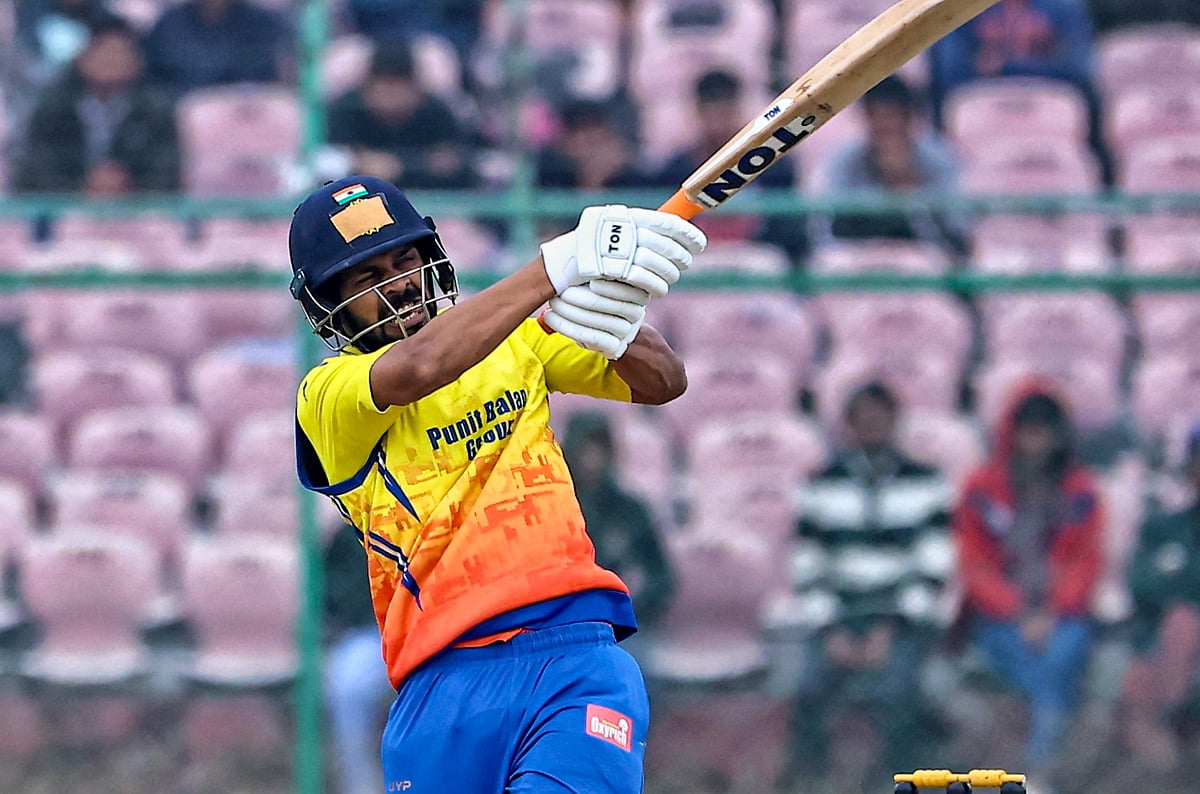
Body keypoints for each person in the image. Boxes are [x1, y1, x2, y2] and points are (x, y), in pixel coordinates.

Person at [290, 174, 706, 792]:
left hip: (575, 656)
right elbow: (418, 367)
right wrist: (556, 265)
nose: (399, 283)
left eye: (406, 260)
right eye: (368, 277)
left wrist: (611, 322)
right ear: (332, 304)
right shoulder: (326, 395)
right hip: (441, 683)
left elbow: (665, 381)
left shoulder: (512, 339)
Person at [777, 381, 953, 789]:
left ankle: (896, 782)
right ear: (850, 425)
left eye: (882, 417)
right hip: (841, 612)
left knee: (900, 692)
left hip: (899, 617)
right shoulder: (820, 483)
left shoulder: (928, 482)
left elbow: (933, 566)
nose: (873, 426)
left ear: (896, 422)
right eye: (864, 418)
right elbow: (806, 565)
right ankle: (812, 781)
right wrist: (831, 628)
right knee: (807, 689)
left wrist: (890, 629)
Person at [952, 379, 1104, 788]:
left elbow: (1084, 560)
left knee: (1058, 654)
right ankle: (1040, 770)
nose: (1034, 440)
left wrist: (1051, 612)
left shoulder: (1080, 490)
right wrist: (1018, 610)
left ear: (1059, 436)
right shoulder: (982, 488)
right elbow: (975, 563)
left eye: (1044, 430)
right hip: (1001, 613)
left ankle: (1035, 768)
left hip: (1060, 615)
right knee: (1041, 669)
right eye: (1027, 429)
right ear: (1012, 431)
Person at [13, 16, 179, 194]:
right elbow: (34, 171)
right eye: (103, 51)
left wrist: (125, 185)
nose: (111, 60)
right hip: (67, 207)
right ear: (82, 57)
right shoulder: (52, 107)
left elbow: (167, 174)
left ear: (137, 61)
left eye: (119, 52)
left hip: (138, 210)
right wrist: (83, 185)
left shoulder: (156, 109)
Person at [654, 70, 806, 257]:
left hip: (754, 255)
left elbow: (788, 228)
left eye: (725, 111)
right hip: (697, 256)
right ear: (698, 112)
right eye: (711, 112)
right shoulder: (675, 170)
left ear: (738, 108)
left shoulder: (773, 163)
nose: (718, 122)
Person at [811, 75, 968, 256]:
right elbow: (827, 229)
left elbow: (955, 231)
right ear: (867, 119)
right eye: (878, 118)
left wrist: (909, 187)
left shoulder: (939, 159)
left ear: (909, 118)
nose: (886, 127)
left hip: (920, 253)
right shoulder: (843, 160)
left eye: (892, 117)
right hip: (859, 252)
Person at [1120, 422, 1200, 772]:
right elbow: (1142, 584)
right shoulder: (1164, 527)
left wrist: (1180, 580)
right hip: (1165, 646)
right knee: (1179, 626)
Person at [560, 411, 674, 631]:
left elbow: (660, 575)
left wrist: (629, 612)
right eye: (586, 449)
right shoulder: (549, 508)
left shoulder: (629, 510)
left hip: (611, 622)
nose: (593, 458)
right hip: (556, 620)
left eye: (600, 448)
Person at [325, 38, 478, 190]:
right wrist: (357, 161)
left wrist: (402, 166)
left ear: (415, 85)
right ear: (368, 86)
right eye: (383, 89)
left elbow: (453, 162)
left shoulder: (436, 112)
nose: (391, 98)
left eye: (398, 88)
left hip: (427, 202)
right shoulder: (347, 109)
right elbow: (327, 160)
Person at [323, 526, 395, 794]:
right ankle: (361, 788)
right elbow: (334, 596)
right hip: (373, 635)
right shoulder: (351, 525)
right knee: (347, 685)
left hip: (441, 634)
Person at [142, 0, 292, 96]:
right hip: (176, 125)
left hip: (246, 121)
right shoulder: (168, 24)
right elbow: (152, 81)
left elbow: (272, 84)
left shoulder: (265, 25)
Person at [535, 99, 655, 191]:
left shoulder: (636, 183)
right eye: (588, 142)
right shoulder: (548, 179)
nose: (596, 153)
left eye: (601, 141)